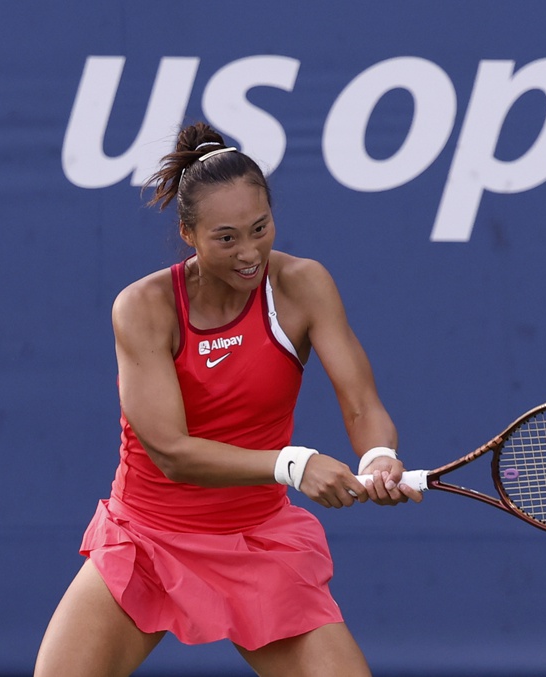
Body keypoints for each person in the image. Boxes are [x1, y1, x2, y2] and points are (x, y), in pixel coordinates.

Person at [35, 121, 423, 677]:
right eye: (227, 238)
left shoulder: (304, 285)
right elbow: (171, 451)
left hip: (257, 543)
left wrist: (377, 457)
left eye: (260, 227)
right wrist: (294, 463)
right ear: (189, 233)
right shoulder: (144, 308)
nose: (250, 252)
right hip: (146, 538)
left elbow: (361, 403)